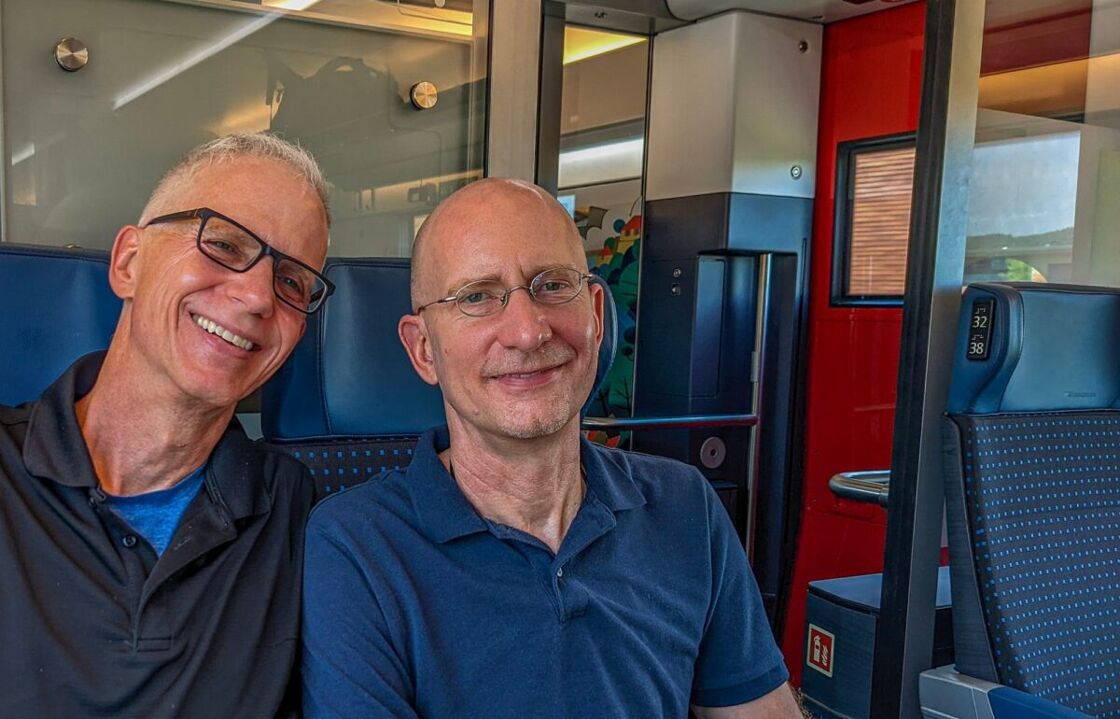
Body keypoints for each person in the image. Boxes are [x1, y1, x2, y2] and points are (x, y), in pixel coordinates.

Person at [301, 178, 804, 717]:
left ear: (596, 314)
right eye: (477, 296)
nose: (527, 331)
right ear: (423, 350)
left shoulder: (685, 506)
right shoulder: (356, 548)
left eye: (552, 285)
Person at [0, 132, 333, 717]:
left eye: (291, 282)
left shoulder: (296, 512)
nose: (257, 296)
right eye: (226, 245)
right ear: (129, 262)